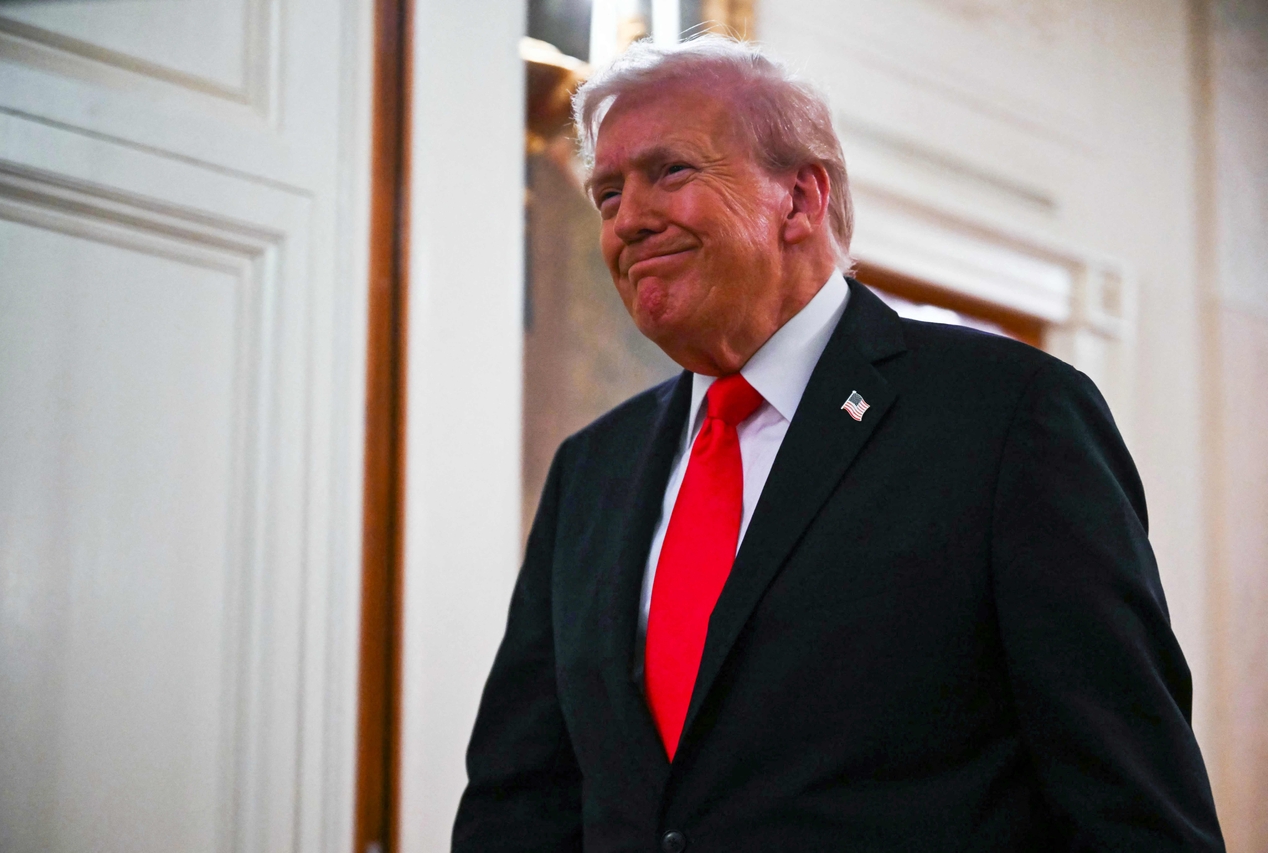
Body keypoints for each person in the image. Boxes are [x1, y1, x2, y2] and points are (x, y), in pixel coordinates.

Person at [452, 36, 1224, 852]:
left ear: (802, 198)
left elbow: (1134, 804)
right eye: (607, 194)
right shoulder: (591, 469)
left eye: (670, 171)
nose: (629, 219)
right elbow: (521, 798)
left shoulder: (1010, 417)